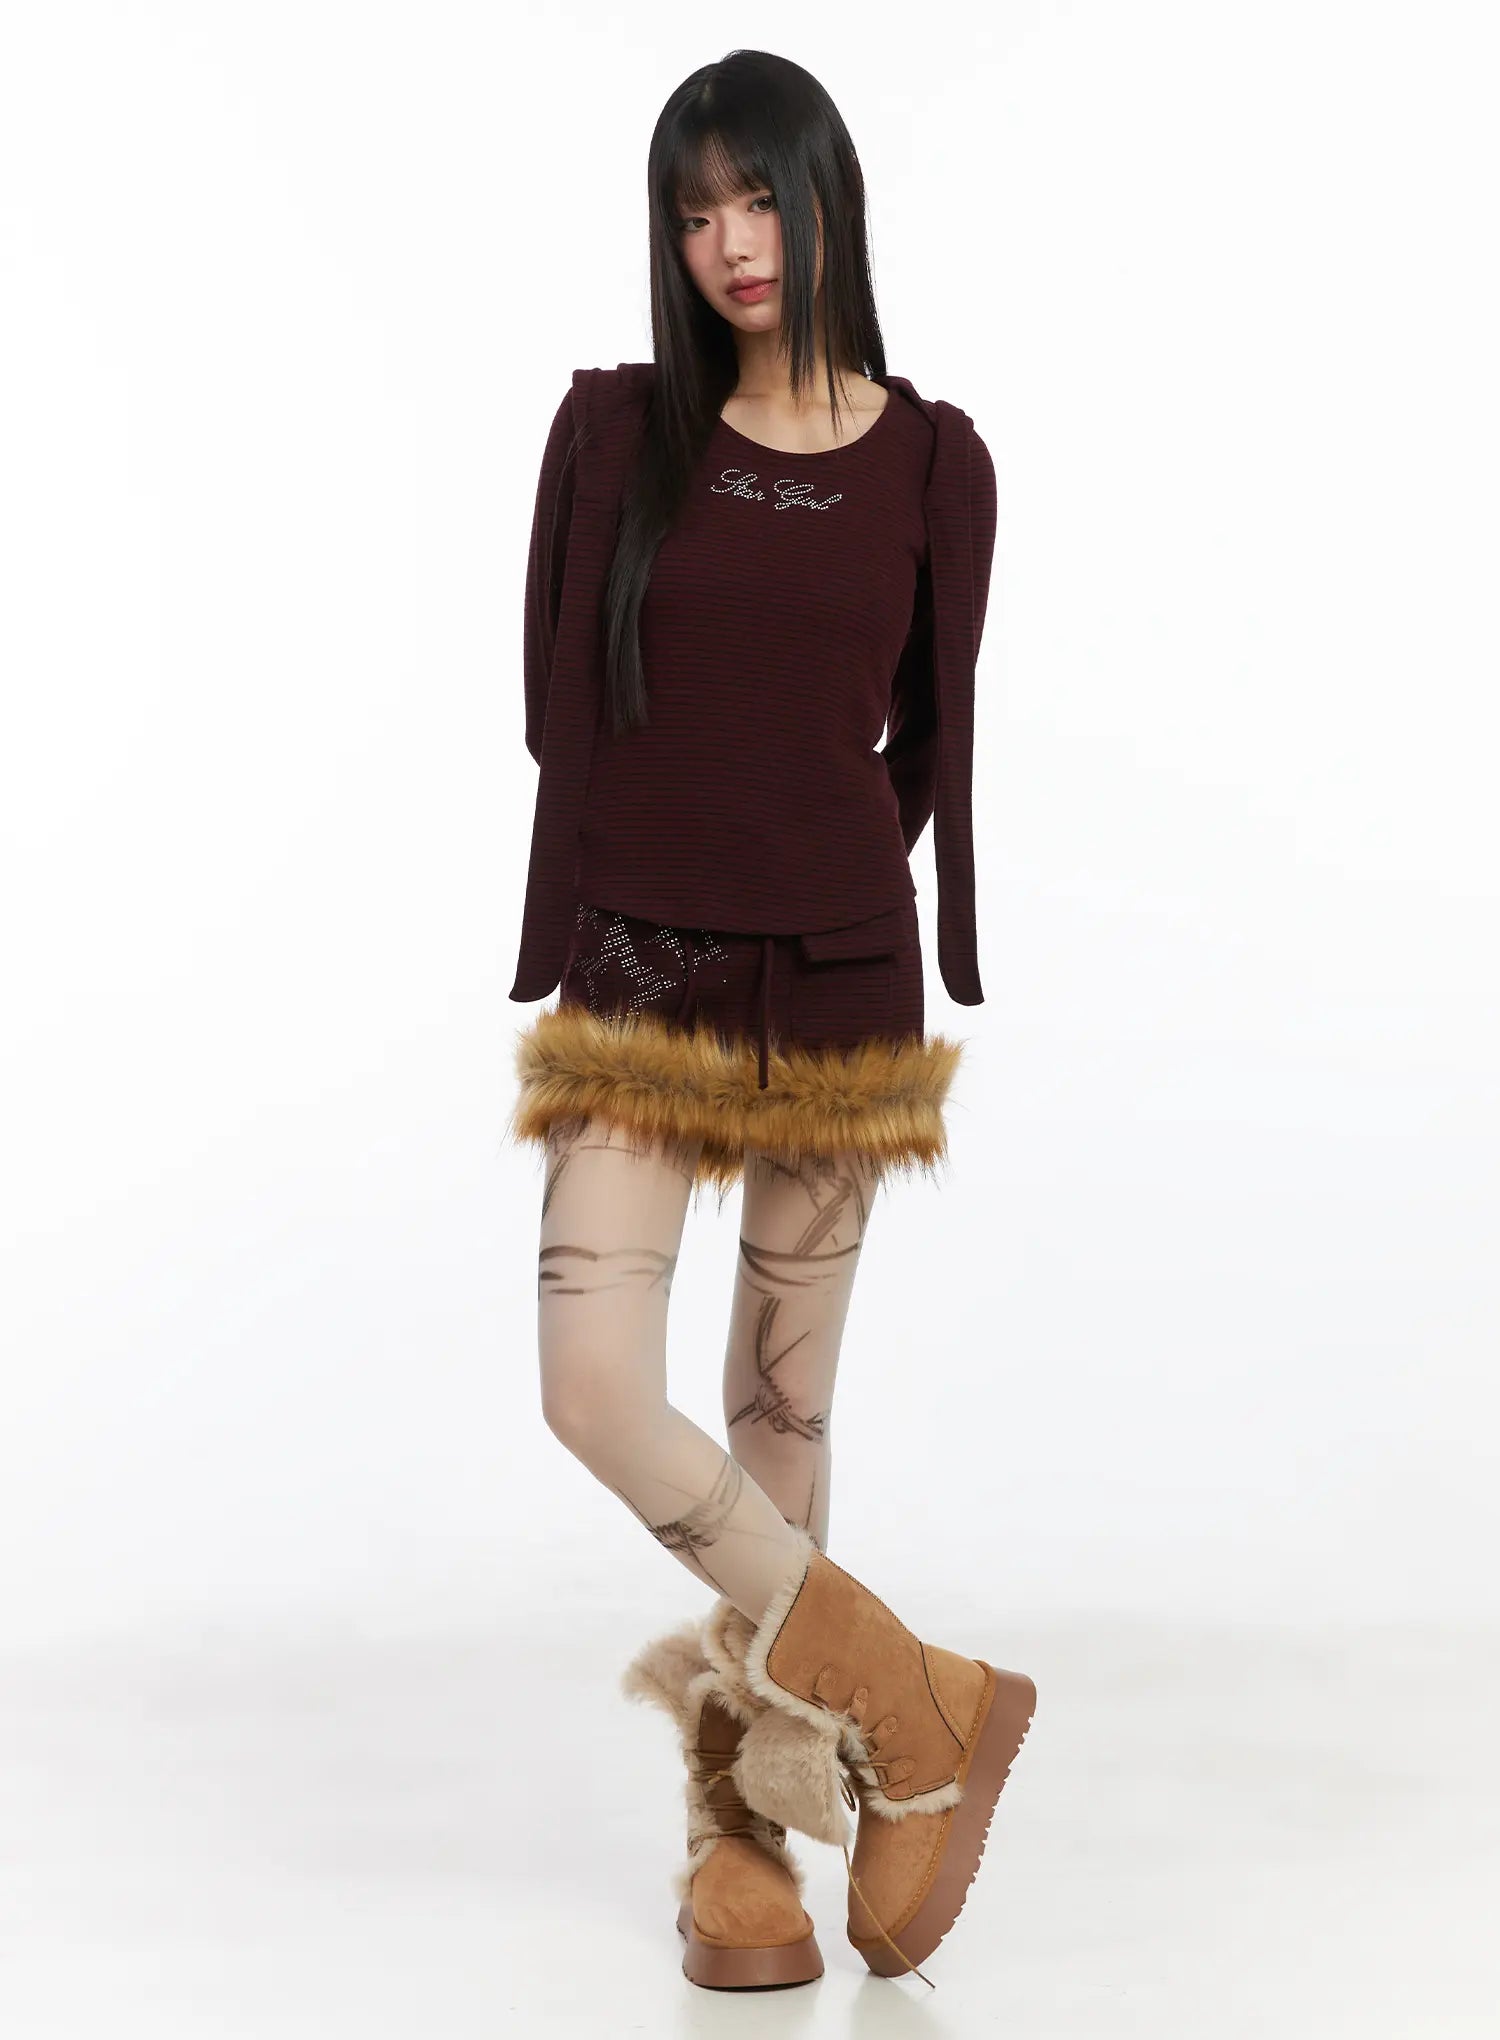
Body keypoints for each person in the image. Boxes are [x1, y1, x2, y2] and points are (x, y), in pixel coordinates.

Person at [503, 48, 1036, 1990]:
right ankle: (903, 1696)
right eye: (693, 211)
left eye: (756, 198)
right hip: (640, 974)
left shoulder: (935, 466)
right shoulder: (612, 435)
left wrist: (812, 866)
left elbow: (922, 754)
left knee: (776, 1415)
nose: (728, 243)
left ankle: (739, 1839)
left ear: (828, 204)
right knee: (594, 1387)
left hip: (832, 981)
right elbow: (557, 709)